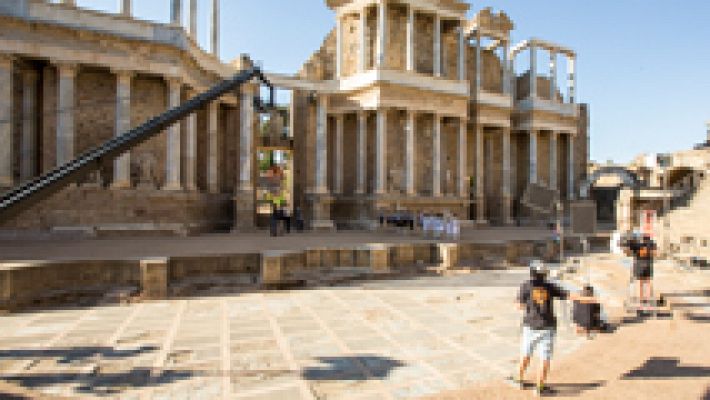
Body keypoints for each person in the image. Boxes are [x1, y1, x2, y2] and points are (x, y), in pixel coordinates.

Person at [508, 260, 597, 396]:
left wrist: (521, 305)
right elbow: (571, 296)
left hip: (530, 325)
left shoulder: (525, 286)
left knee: (526, 353)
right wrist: (591, 299)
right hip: (548, 326)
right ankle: (540, 387)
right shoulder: (550, 286)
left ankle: (519, 378)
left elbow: (519, 304)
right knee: (545, 357)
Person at [624, 232, 657, 304]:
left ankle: (642, 298)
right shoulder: (651, 245)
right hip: (647, 265)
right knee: (647, 282)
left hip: (640, 265)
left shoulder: (637, 245)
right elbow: (655, 253)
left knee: (641, 283)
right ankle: (647, 298)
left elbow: (628, 252)